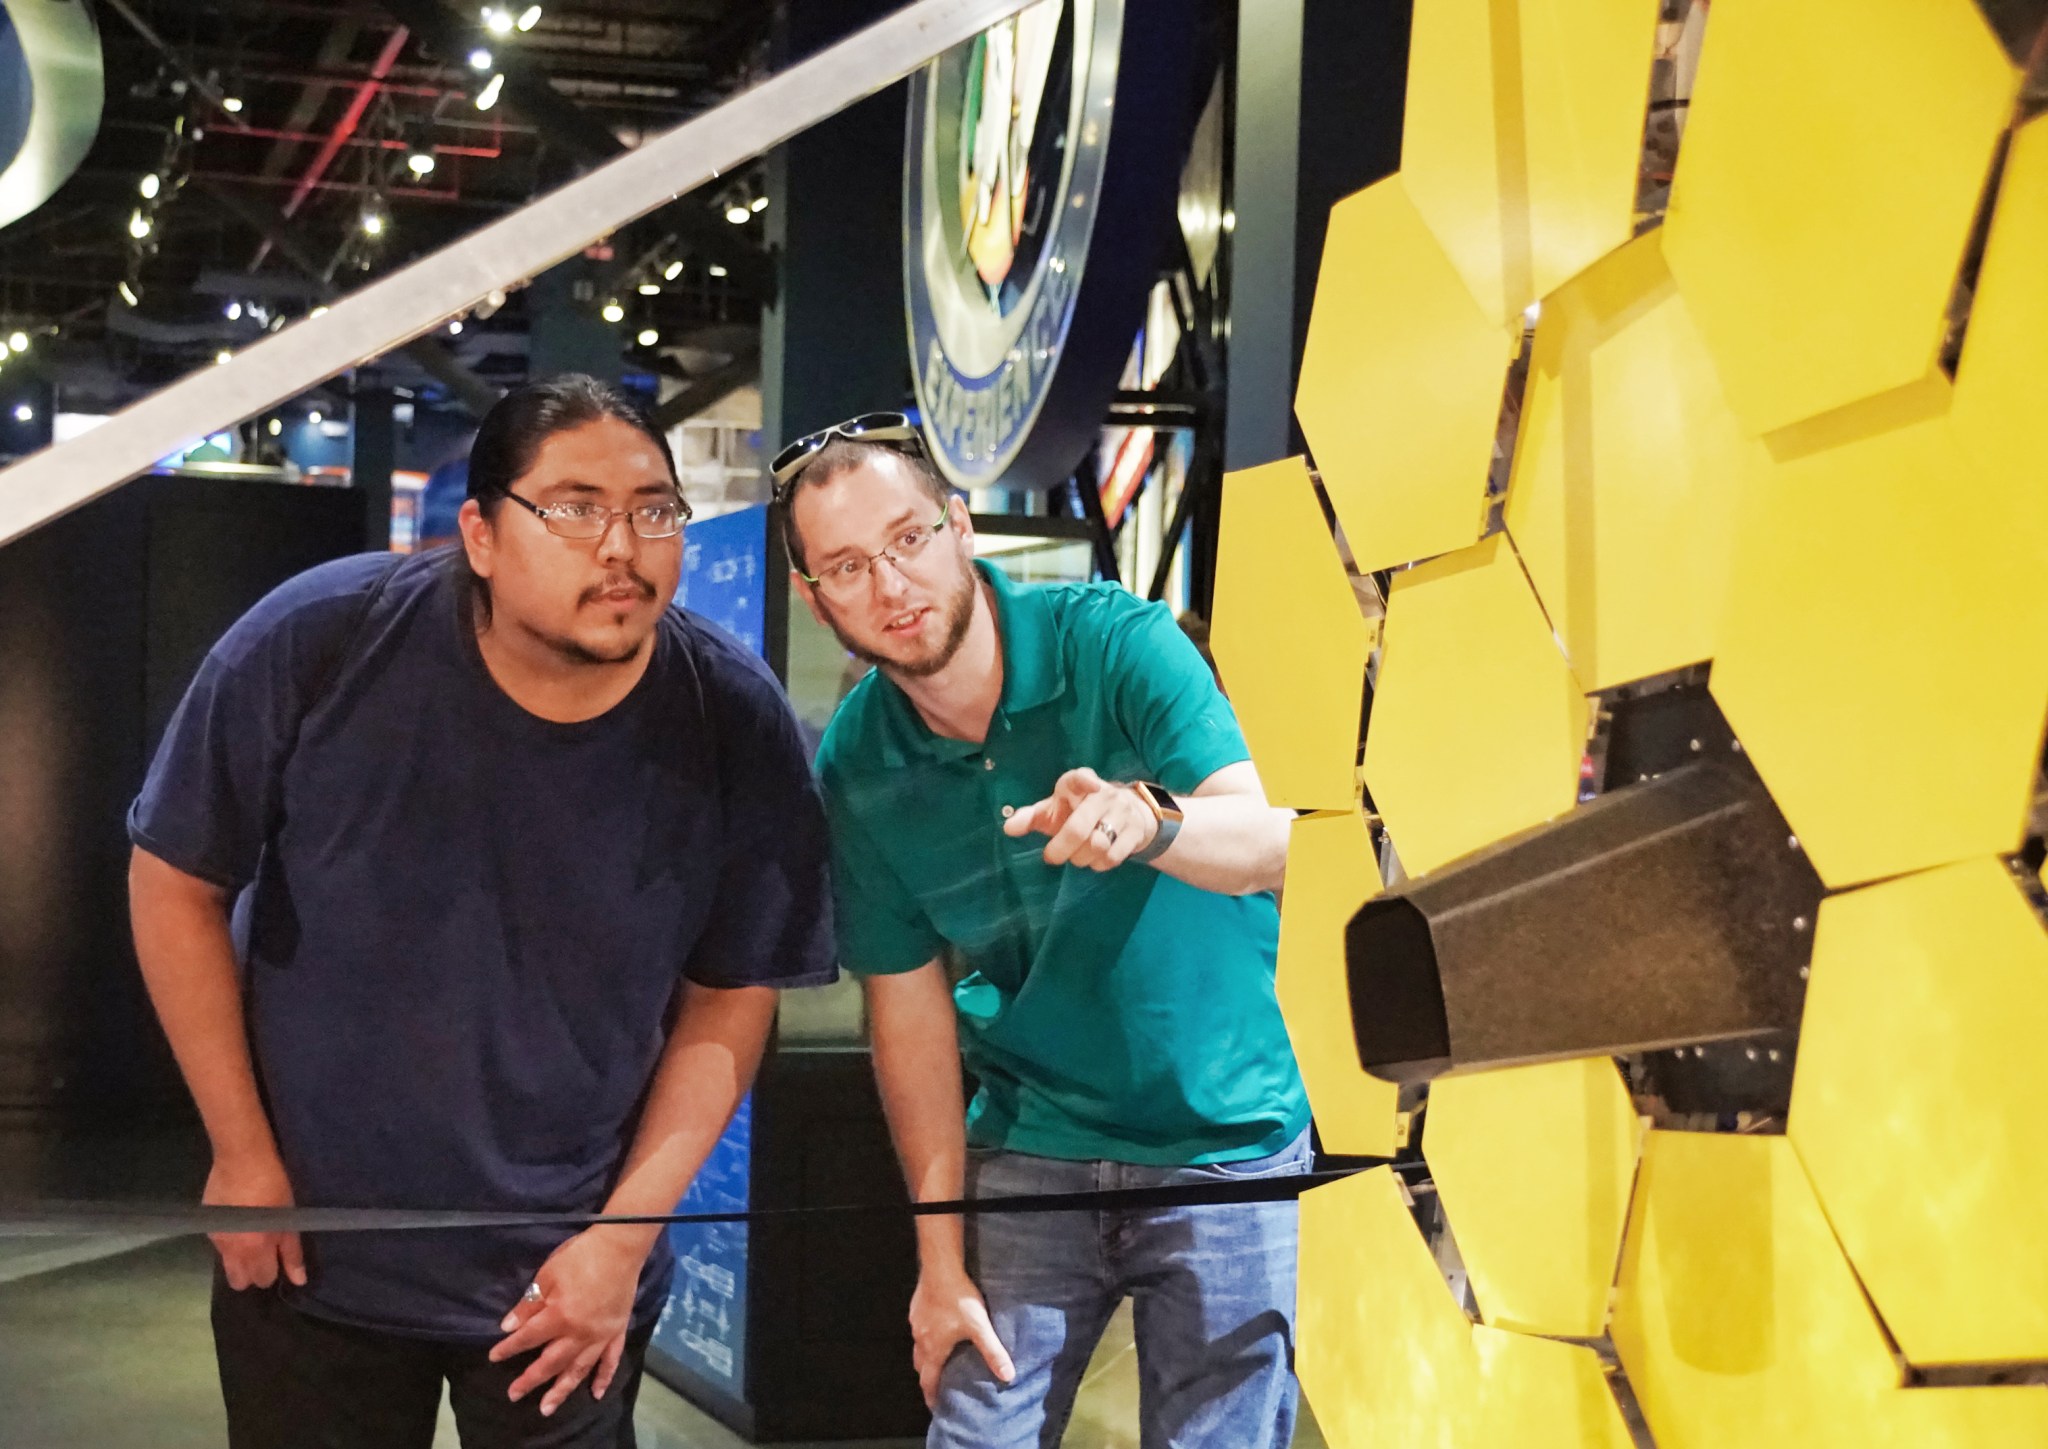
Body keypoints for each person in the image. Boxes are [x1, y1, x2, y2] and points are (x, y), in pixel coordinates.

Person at [127, 375, 835, 1449]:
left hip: (567, 1281)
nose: (621, 546)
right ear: (482, 534)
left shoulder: (731, 716)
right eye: (574, 506)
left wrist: (620, 1240)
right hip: (311, 1257)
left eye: (653, 509)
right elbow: (175, 878)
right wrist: (239, 1153)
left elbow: (730, 998)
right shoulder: (321, 641)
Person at [779, 414, 1310, 1449]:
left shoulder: (1115, 641)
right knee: (973, 1432)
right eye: (845, 566)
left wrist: (1150, 823)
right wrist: (937, 1267)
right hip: (1032, 1140)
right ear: (813, 597)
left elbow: (1267, 840)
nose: (890, 586)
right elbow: (909, 1020)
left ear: (959, 526)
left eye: (907, 539)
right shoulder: (856, 763)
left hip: (1222, 1139)